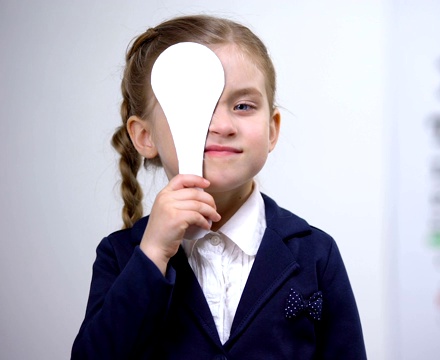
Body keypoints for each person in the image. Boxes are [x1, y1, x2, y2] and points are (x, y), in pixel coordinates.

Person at [71, 14, 366, 359]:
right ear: (145, 136)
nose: (223, 125)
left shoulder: (316, 253)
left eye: (243, 106)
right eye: (195, 107)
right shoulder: (122, 256)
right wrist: (152, 256)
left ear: (272, 130)